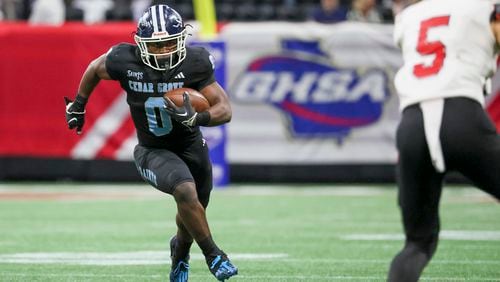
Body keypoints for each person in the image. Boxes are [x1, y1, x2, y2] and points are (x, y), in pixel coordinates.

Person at [64, 4, 238, 282]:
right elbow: (95, 68)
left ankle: (180, 251)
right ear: (141, 44)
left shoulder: (195, 62)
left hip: (191, 146)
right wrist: (79, 104)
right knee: (185, 191)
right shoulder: (124, 59)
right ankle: (214, 255)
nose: (164, 51)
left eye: (169, 43)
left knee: (195, 207)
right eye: (156, 45)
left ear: (181, 38)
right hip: (152, 149)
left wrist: (198, 117)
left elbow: (224, 109)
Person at [388, 0, 500, 281]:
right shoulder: (482, 7)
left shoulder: (410, 16)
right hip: (461, 117)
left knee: (417, 244)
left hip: (412, 126)